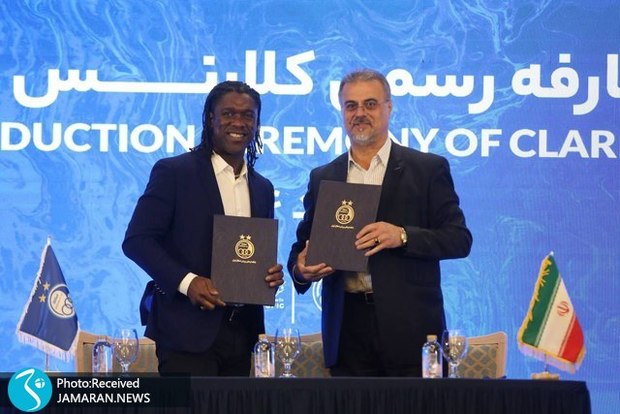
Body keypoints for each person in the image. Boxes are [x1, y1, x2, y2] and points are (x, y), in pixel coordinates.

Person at [287, 69, 472, 377]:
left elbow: (459, 239)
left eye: (370, 104)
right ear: (342, 111)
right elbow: (301, 248)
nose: (360, 113)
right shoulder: (324, 177)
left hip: (411, 329)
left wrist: (402, 236)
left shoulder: (427, 169)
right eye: (351, 105)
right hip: (347, 332)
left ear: (389, 107)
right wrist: (301, 270)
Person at [123, 81, 284, 376]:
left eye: (248, 115)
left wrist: (269, 276)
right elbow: (137, 241)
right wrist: (188, 282)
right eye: (228, 114)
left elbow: (249, 253)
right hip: (185, 332)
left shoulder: (262, 187)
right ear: (211, 118)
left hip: (242, 333)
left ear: (257, 123)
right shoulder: (175, 172)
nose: (238, 122)